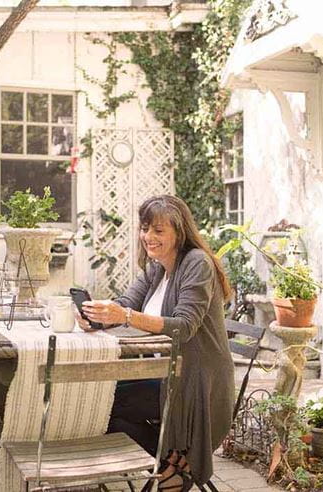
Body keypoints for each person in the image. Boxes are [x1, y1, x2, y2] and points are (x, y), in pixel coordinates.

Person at [78, 195, 235, 491]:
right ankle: (169, 467)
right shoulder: (157, 267)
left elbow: (184, 327)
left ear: (180, 232)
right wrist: (97, 316)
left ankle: (170, 468)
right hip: (164, 374)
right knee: (97, 397)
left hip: (196, 382)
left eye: (159, 231)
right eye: (145, 229)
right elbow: (127, 303)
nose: (148, 237)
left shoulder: (196, 264)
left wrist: (124, 315)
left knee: (103, 405)